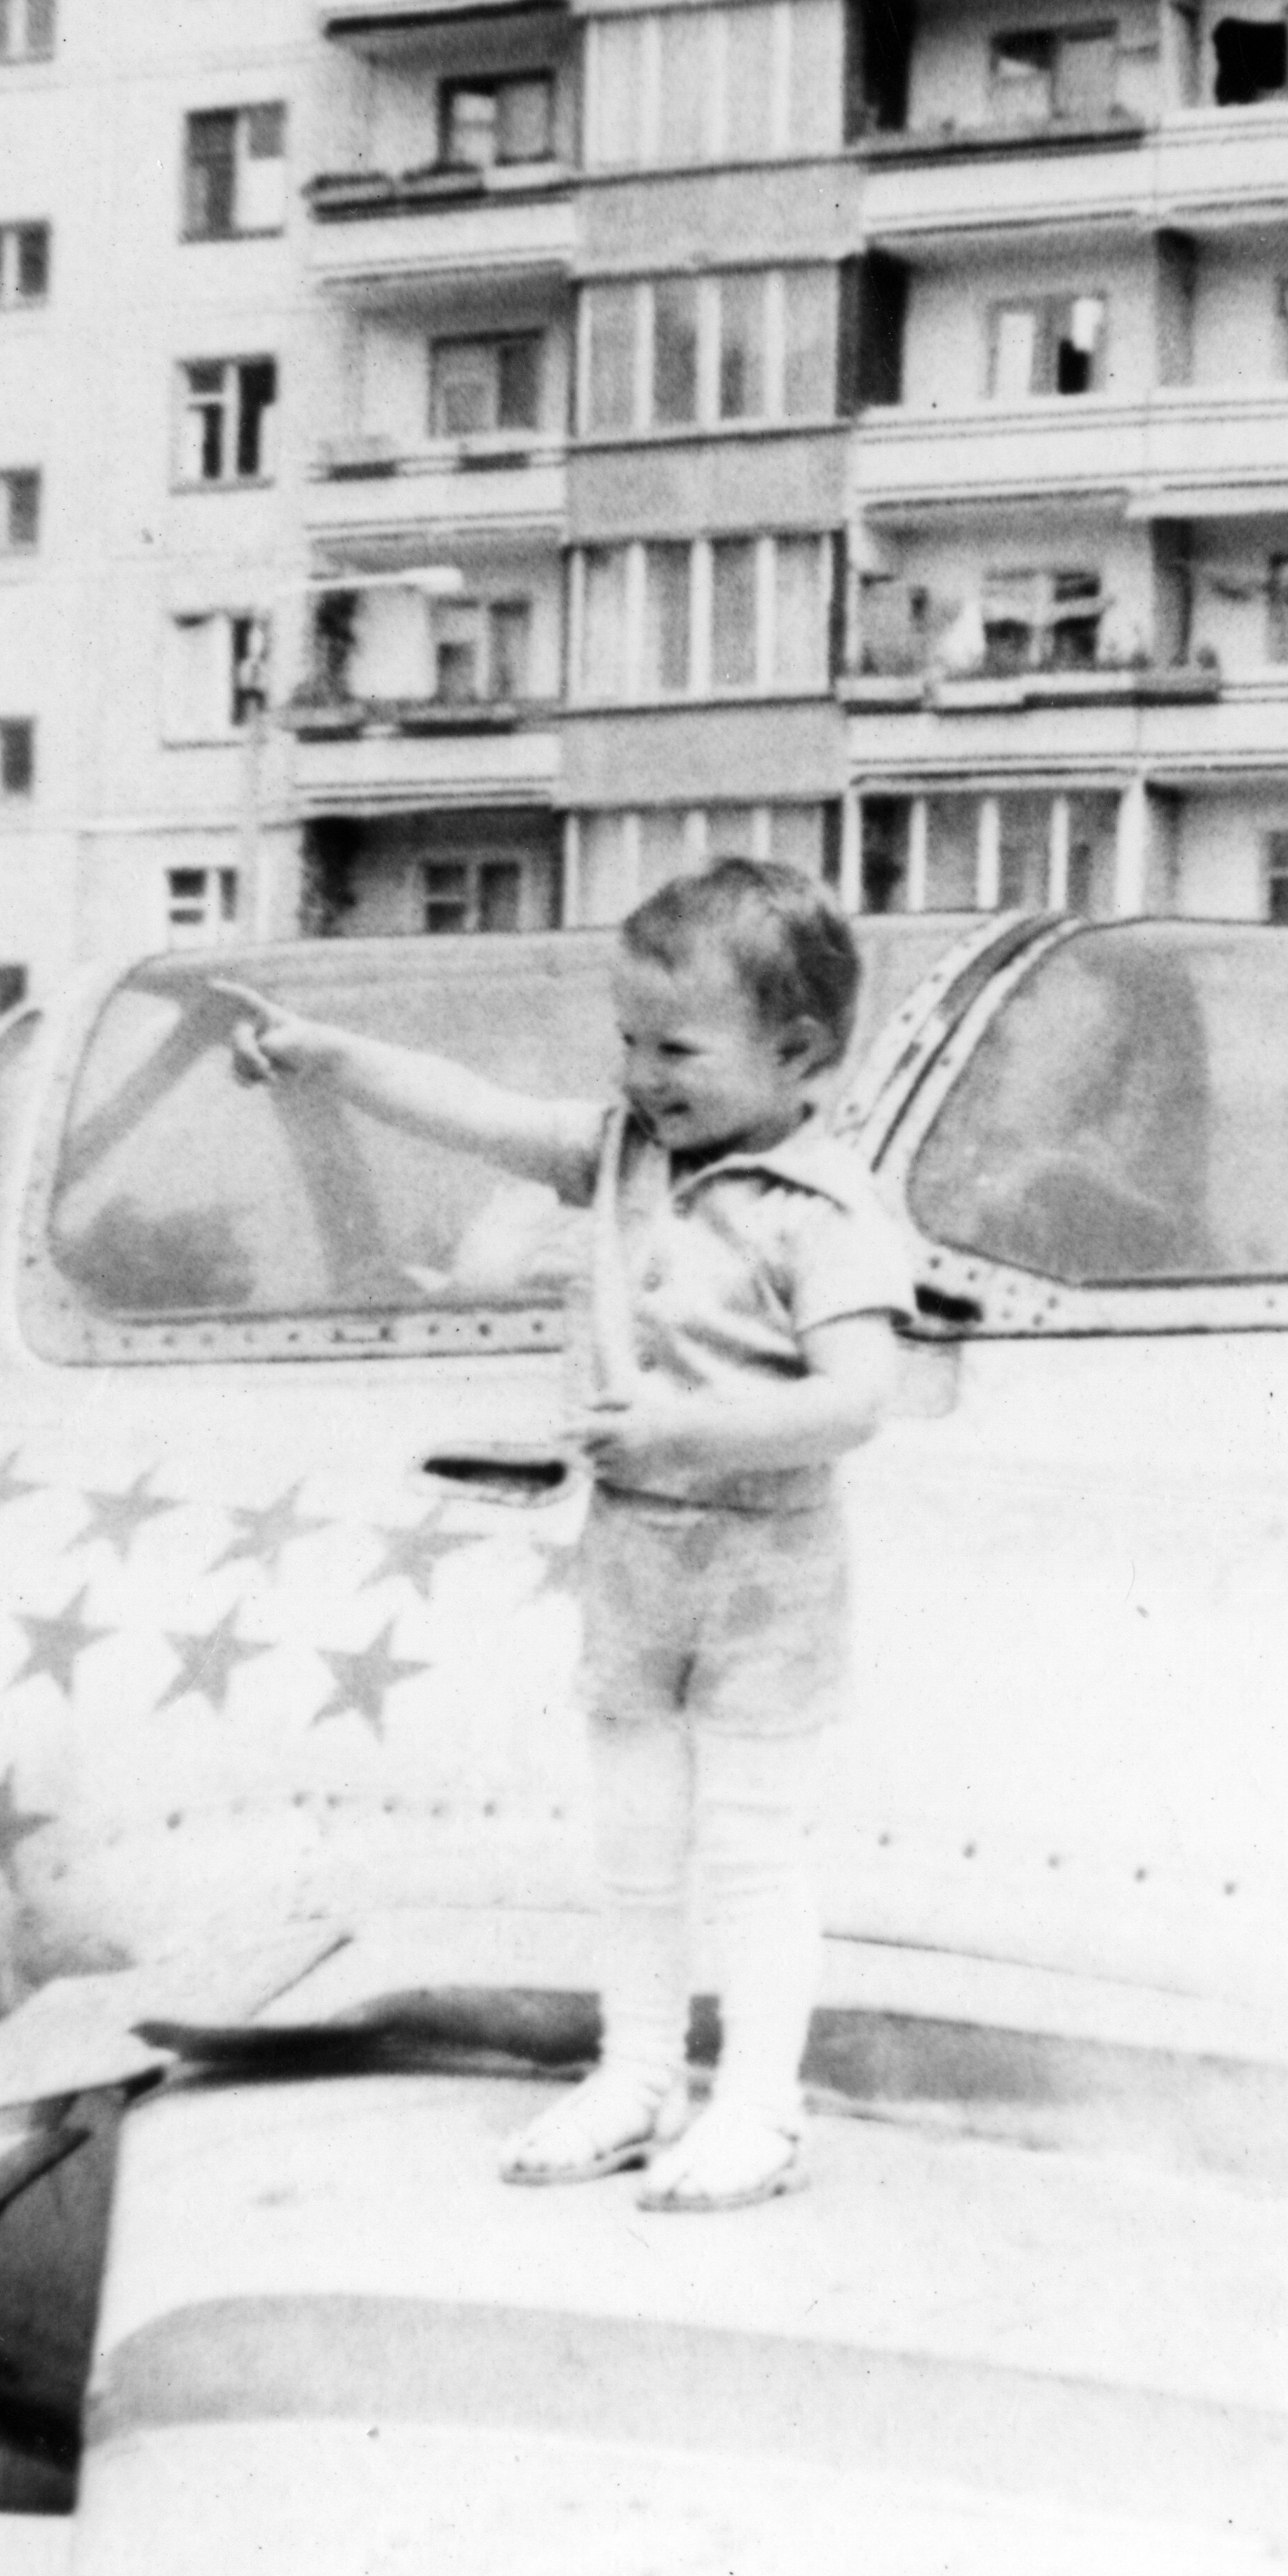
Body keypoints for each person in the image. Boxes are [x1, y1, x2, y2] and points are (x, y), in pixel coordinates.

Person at [222, 860, 905, 2209]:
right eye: (628, 1040)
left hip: (765, 1577)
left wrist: (680, 1430)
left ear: (797, 1052)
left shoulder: (820, 1212)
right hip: (635, 1562)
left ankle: (758, 2109)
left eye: (677, 1049)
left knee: (753, 1852)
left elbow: (856, 1400)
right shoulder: (620, 1152)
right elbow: (472, 1110)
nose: (641, 1074)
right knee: (637, 1848)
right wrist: (330, 1055)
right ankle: (636, 2075)